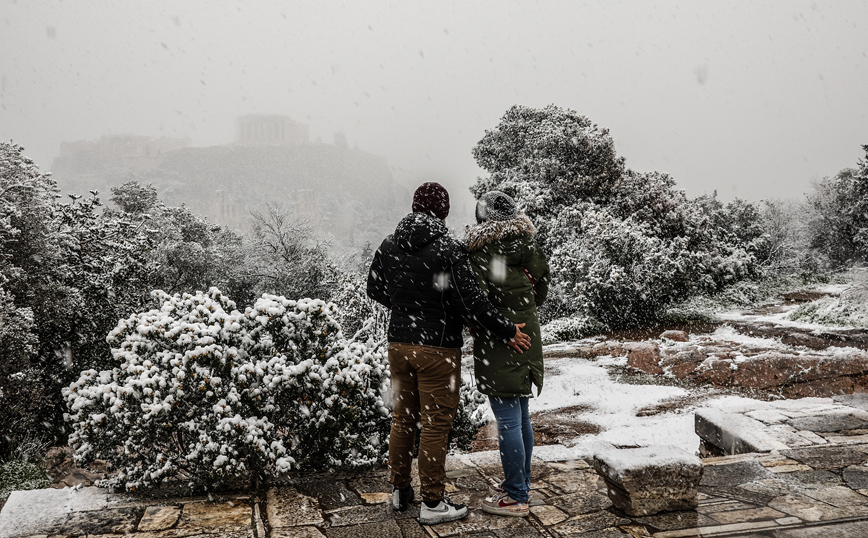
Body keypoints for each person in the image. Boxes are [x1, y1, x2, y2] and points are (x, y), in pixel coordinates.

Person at [367, 182, 532, 526]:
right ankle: (432, 502)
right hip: (437, 348)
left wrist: (406, 307)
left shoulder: (389, 244)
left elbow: (375, 288)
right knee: (435, 425)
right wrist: (506, 330)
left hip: (398, 344)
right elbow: (471, 302)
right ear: (443, 211)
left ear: (415, 207)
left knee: (402, 418)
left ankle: (400, 490)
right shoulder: (447, 248)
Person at [465, 191, 550, 518]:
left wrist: (502, 325)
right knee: (521, 414)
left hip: (502, 339)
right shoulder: (529, 246)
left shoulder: (482, 252)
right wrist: (521, 308)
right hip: (528, 333)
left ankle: (516, 496)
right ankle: (520, 483)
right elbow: (541, 288)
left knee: (508, 421)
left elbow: (478, 303)